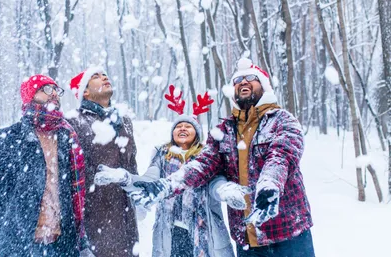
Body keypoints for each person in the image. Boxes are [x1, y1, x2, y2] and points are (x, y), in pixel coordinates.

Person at [131, 58, 315, 257]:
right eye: (238, 80)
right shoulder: (223, 131)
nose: (243, 82)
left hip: (287, 232)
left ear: (264, 85)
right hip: (246, 238)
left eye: (251, 78)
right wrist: (168, 185)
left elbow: (282, 155)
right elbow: (202, 165)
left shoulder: (282, 120)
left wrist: (270, 184)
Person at [94, 86, 247, 257]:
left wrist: (224, 190)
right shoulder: (162, 156)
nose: (182, 129)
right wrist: (125, 178)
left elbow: (215, 184)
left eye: (188, 126)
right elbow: (149, 180)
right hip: (170, 236)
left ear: (196, 133)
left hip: (204, 233)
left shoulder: (207, 158)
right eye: (178, 126)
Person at [0, 74, 93, 257]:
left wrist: (81, 243)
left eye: (56, 90)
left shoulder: (66, 138)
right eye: (46, 89)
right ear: (30, 95)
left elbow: (72, 199)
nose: (54, 94)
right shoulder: (6, 140)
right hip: (20, 246)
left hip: (61, 246)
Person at [67, 67, 138, 257]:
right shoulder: (74, 122)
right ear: (85, 92)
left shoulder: (123, 121)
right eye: (96, 77)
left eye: (105, 74)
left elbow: (132, 164)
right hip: (95, 217)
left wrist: (135, 186)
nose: (104, 77)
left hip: (126, 217)